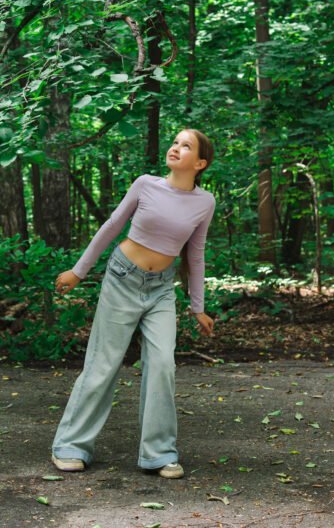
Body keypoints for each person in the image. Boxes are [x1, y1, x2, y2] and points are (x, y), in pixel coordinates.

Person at [50, 129, 217, 479]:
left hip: (161, 290)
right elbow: (112, 227)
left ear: (200, 163)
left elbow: (196, 254)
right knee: (103, 363)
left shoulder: (205, 202)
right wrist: (79, 271)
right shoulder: (146, 184)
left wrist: (197, 307)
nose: (175, 147)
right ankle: (71, 446)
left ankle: (159, 454)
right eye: (174, 142)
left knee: (162, 365)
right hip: (123, 278)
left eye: (186, 146)